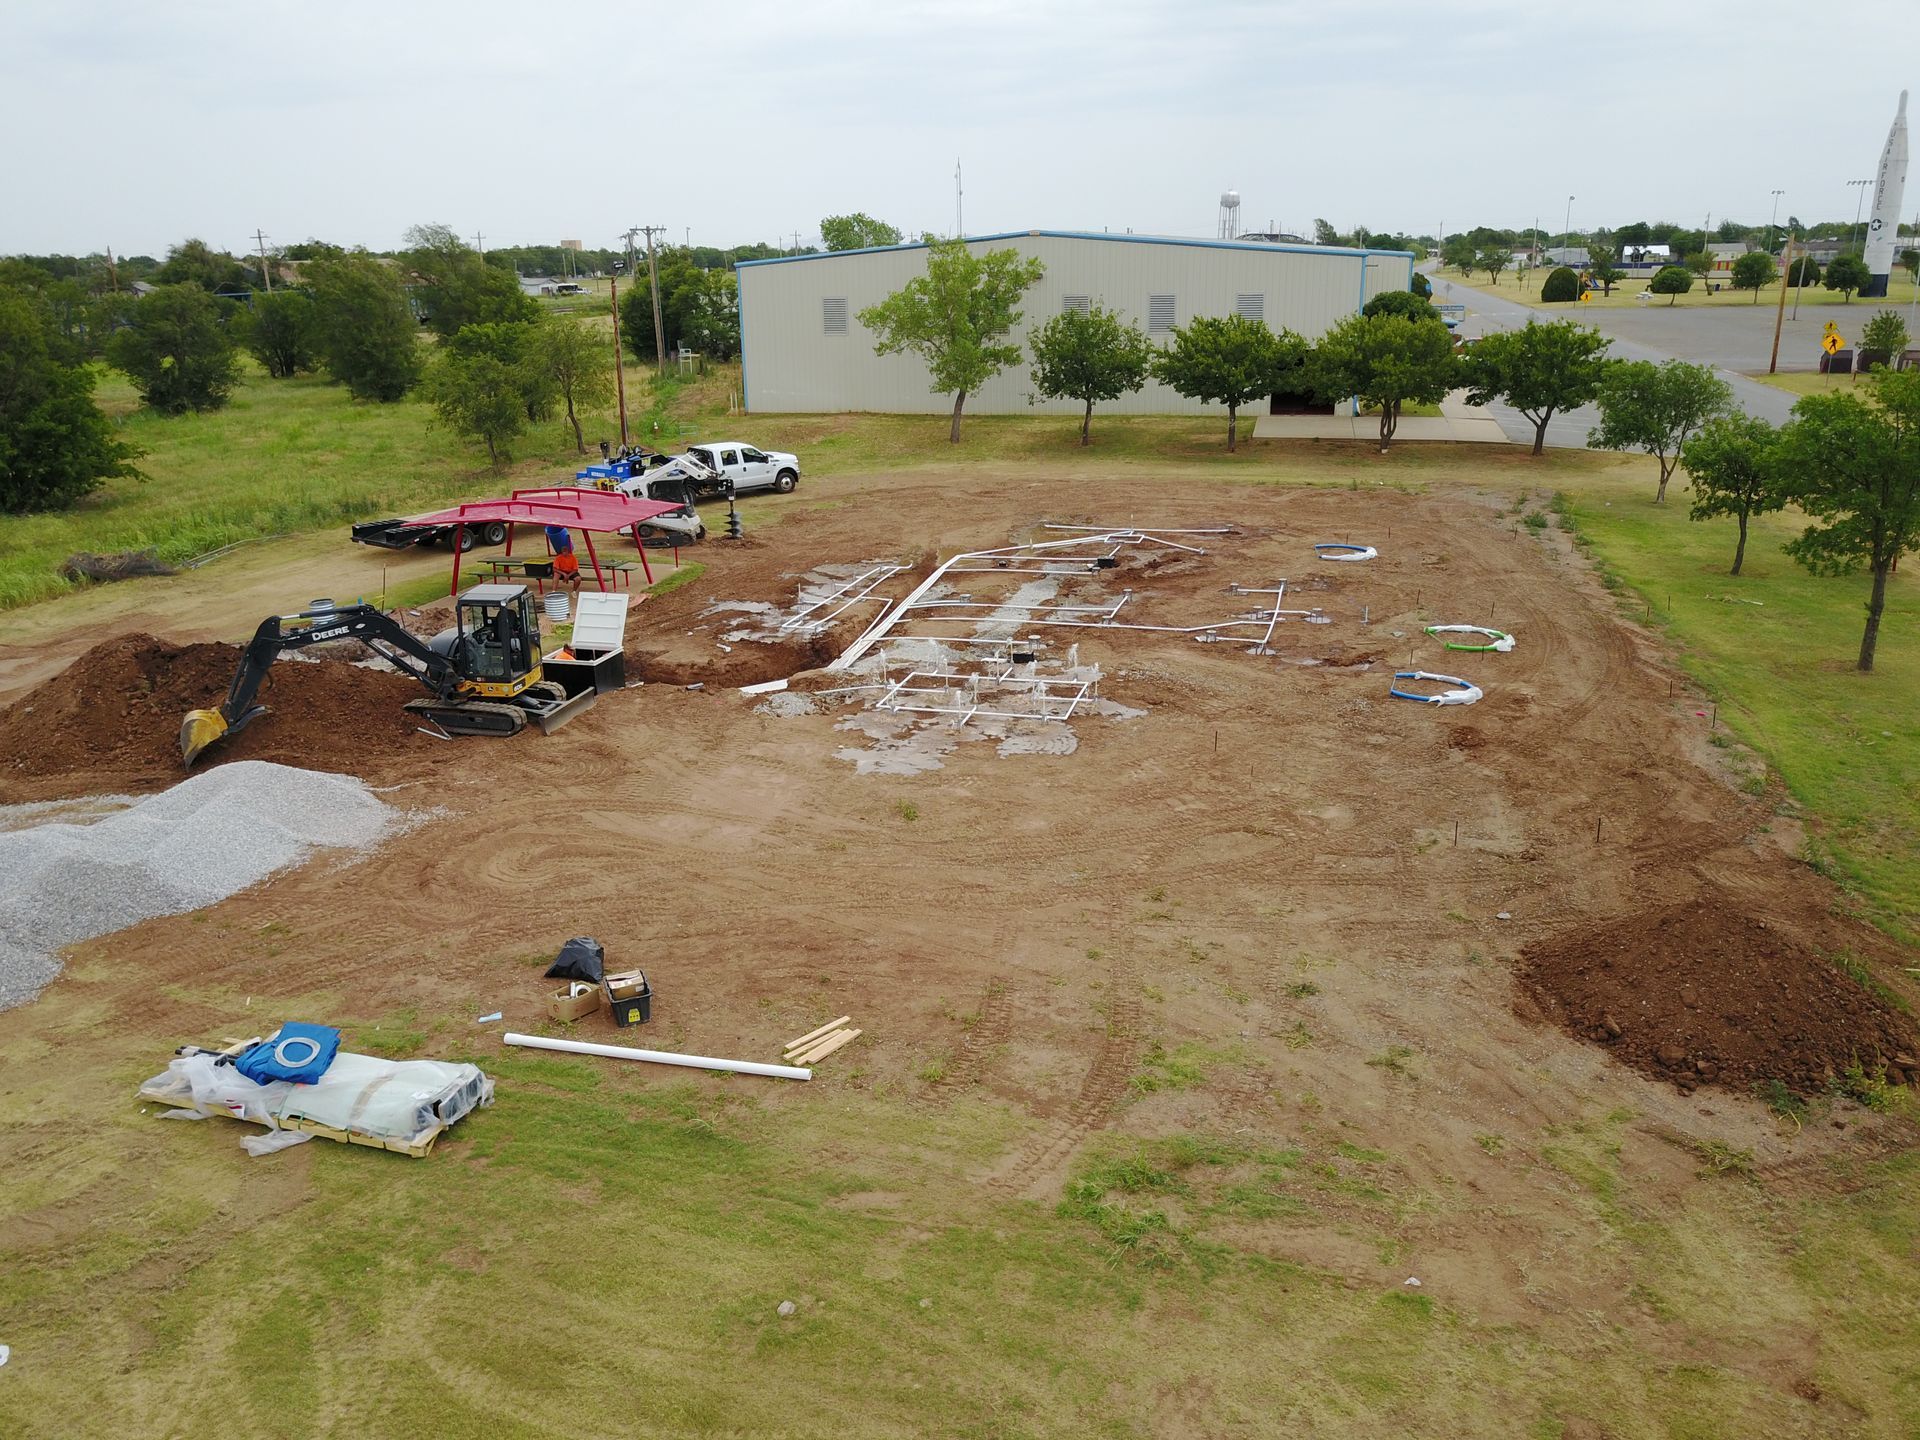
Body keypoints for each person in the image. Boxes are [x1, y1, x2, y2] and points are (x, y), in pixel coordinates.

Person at [544, 524, 581, 592]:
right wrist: (564, 574)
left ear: (568, 551)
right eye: (563, 551)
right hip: (561, 571)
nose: (564, 552)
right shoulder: (558, 558)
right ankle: (553, 591)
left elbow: (575, 570)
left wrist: (568, 575)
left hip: (570, 572)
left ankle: (574, 591)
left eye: (565, 551)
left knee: (578, 579)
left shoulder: (573, 558)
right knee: (556, 575)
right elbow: (555, 569)